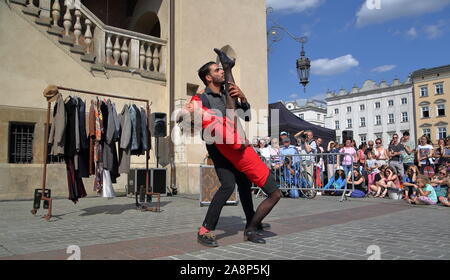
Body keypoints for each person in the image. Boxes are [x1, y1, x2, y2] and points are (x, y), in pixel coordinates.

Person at [189, 61, 281, 247]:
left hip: (237, 146)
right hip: (218, 148)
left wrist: (243, 98)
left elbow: (246, 116)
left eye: (222, 69)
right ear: (208, 77)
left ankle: (251, 223)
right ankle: (205, 229)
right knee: (228, 185)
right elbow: (192, 117)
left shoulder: (227, 94)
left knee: (245, 184)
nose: (222, 72)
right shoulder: (202, 98)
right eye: (217, 70)